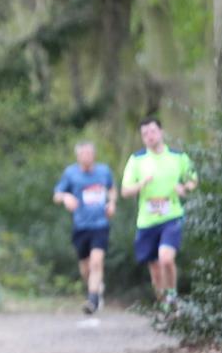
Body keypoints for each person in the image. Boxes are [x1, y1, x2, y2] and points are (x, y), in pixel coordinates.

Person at [120, 116, 198, 310]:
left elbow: (193, 180)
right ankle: (164, 307)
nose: (149, 136)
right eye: (144, 134)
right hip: (146, 221)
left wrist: (184, 188)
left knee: (166, 258)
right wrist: (141, 184)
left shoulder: (178, 156)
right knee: (155, 270)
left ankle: (172, 296)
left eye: (153, 131)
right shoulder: (137, 159)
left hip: (171, 216)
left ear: (161, 132)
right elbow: (125, 191)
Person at [53, 141, 116, 314]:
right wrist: (66, 197)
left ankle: (92, 300)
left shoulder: (104, 171)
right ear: (78, 156)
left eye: (89, 153)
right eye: (83, 154)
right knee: (86, 268)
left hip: (100, 225)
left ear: (94, 155)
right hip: (81, 226)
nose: (86, 157)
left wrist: (111, 203)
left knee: (97, 261)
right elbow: (56, 195)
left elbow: (112, 189)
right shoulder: (71, 173)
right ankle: (96, 288)